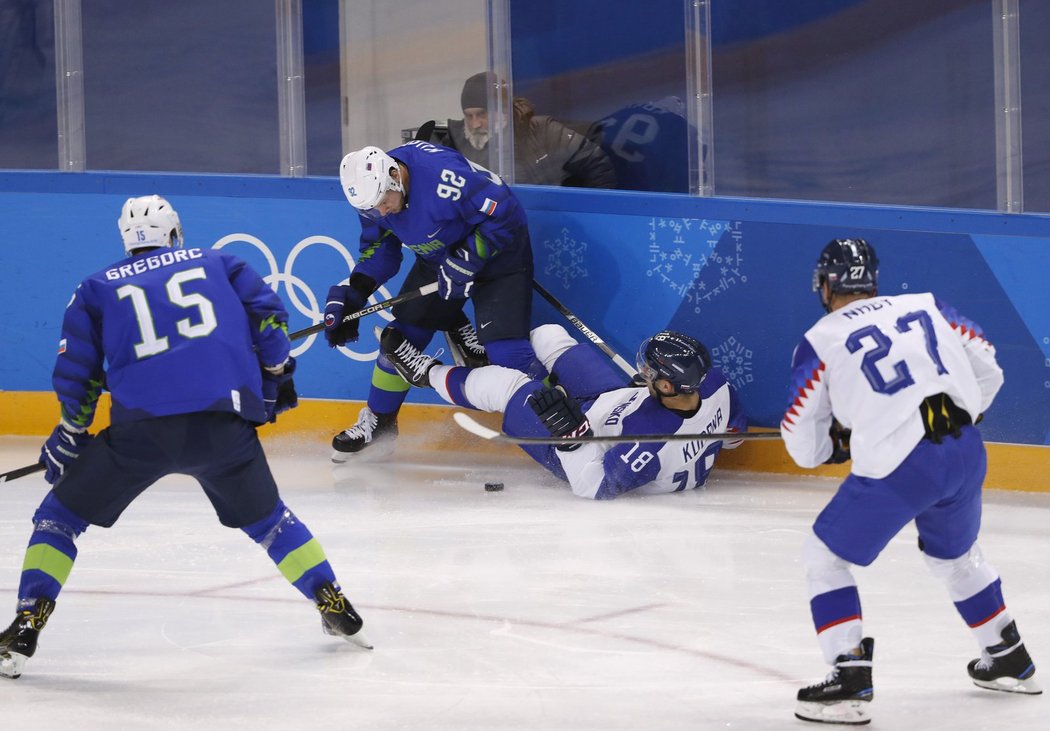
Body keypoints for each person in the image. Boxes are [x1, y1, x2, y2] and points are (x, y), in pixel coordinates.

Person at [0, 196, 370, 680]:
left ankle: (27, 623)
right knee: (272, 523)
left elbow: (78, 374)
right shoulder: (222, 263)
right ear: (175, 233)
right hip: (222, 428)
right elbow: (270, 319)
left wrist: (69, 435)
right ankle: (333, 601)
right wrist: (276, 374)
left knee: (58, 519)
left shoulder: (95, 288)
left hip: (142, 433)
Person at [780, 238, 1040, 724]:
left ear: (827, 283)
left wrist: (832, 448)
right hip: (965, 450)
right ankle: (1009, 658)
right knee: (955, 557)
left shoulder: (821, 338)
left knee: (824, 556)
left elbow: (800, 434)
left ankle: (849, 679)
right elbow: (988, 363)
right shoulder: (926, 304)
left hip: (901, 467)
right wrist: (964, 411)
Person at [325, 140, 549, 461]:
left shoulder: (442, 177)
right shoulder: (373, 197)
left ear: (395, 176)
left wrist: (469, 258)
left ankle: (562, 417)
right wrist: (354, 293)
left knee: (507, 355)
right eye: (372, 208)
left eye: (383, 202)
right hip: (439, 260)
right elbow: (379, 251)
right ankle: (381, 423)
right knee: (403, 339)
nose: (381, 211)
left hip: (500, 257)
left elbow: (505, 213)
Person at [376, 321, 747, 499]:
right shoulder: (715, 385)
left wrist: (572, 439)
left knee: (507, 387)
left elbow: (595, 486)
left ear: (667, 386)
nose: (645, 370)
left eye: (651, 371)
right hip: (614, 400)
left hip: (578, 442)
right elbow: (734, 436)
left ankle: (425, 373)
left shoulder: (648, 448)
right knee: (548, 335)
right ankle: (480, 362)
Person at [426, 71, 616, 189]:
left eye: (482, 114)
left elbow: (597, 165)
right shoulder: (453, 140)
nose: (475, 124)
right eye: (469, 116)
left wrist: (591, 215)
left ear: (501, 109)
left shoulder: (542, 131)